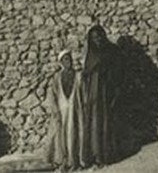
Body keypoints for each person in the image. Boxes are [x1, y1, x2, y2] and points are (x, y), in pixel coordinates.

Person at [79, 25, 119, 167]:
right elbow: (86, 73)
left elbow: (116, 73)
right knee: (92, 123)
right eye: (94, 38)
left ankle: (104, 156)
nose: (97, 40)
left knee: (104, 123)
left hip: (105, 93)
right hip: (92, 96)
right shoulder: (90, 54)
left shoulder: (111, 52)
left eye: (99, 37)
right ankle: (93, 156)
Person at [46, 50, 82, 170]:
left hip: (74, 111)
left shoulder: (78, 76)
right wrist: (55, 110)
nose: (69, 62)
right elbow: (53, 95)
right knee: (60, 137)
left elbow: (82, 94)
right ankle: (62, 161)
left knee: (73, 135)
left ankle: (73, 162)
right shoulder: (57, 77)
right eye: (65, 59)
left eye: (70, 59)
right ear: (61, 62)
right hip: (61, 111)